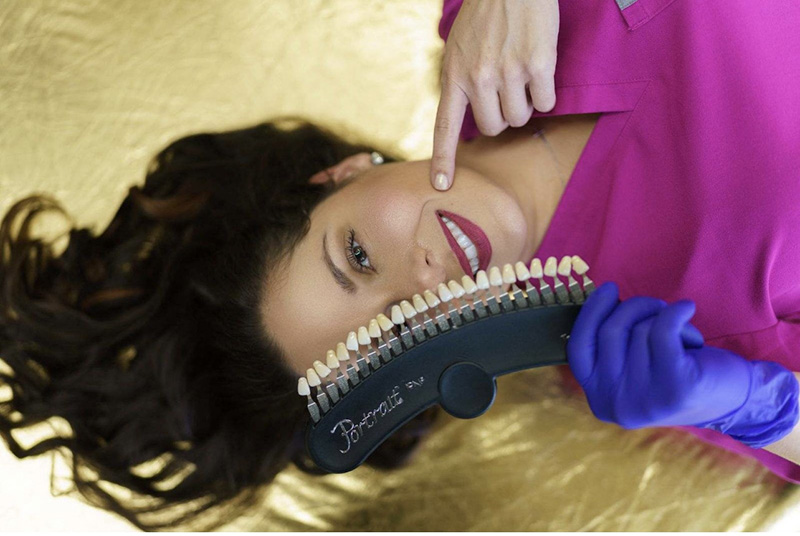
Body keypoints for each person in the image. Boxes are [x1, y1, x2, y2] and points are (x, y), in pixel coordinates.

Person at [0, 0, 798, 532]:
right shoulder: (661, 349)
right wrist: (740, 402)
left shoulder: (492, 17)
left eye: (355, 256)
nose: (423, 287)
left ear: (340, 174)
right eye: (395, 334)